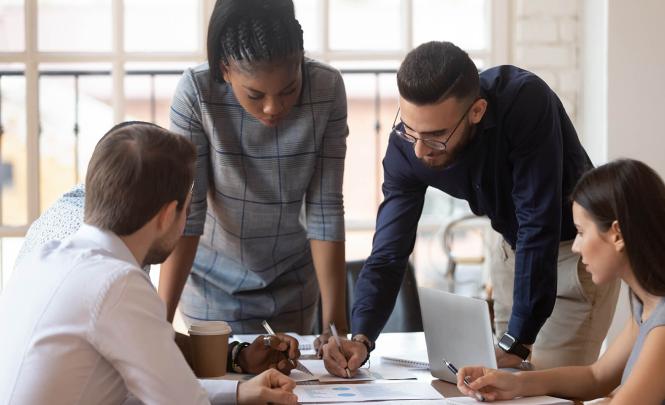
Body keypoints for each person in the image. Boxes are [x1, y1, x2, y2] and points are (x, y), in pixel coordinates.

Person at [322, 41, 619, 377]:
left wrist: (517, 341)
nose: (420, 150)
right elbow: (389, 252)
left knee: (550, 390)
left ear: (477, 111)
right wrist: (362, 337)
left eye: (436, 136)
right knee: (502, 388)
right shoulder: (406, 146)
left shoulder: (524, 102)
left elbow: (539, 222)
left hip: (576, 257)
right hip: (512, 251)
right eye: (410, 128)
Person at [0, 122, 298, 405]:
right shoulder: (116, 282)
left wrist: (237, 392)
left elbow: (139, 388)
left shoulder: (46, 258)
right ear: (168, 214)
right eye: (187, 211)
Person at [164, 0, 349, 338]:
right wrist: (158, 325)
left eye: (289, 89)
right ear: (224, 69)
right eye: (254, 94)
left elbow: (325, 210)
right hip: (212, 286)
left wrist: (336, 331)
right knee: (226, 384)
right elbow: (188, 215)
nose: (273, 108)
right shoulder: (196, 93)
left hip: (293, 281)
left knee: (295, 385)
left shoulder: (327, 89)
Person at [457, 158, 665, 404]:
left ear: (617, 234)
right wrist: (513, 384)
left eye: (580, 232)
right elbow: (596, 377)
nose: (576, 247)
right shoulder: (646, 303)